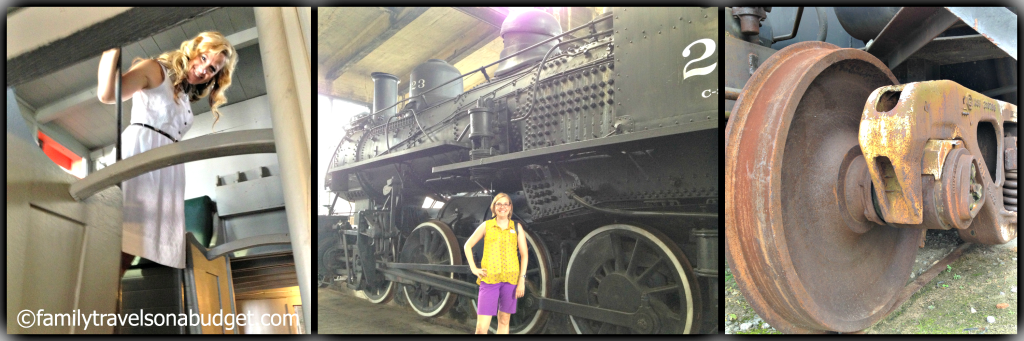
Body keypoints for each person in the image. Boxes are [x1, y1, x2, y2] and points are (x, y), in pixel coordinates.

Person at [97, 31, 238, 275]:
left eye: (213, 69)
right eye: (203, 58)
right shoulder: (155, 70)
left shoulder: (183, 95)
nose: (205, 69)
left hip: (166, 172)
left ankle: (115, 305)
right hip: (140, 156)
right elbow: (108, 94)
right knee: (120, 242)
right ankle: (98, 304)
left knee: (139, 248)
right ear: (192, 51)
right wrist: (110, 49)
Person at [463, 193, 529, 334]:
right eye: (499, 204)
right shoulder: (486, 226)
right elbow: (467, 246)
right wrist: (474, 268)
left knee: (504, 320)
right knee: (481, 328)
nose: (502, 207)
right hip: (489, 280)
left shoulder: (517, 227)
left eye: (506, 204)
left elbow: (524, 255)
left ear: (510, 208)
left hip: (510, 280)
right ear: (494, 207)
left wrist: (521, 280)